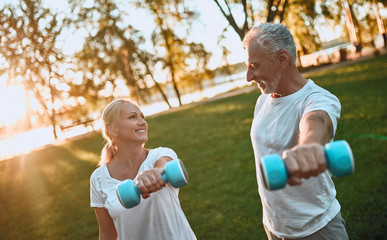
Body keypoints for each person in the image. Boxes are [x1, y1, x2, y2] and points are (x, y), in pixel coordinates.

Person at [243, 23, 349, 239]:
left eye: (255, 65)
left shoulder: (317, 99)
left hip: (316, 227)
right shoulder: (262, 101)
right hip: (274, 226)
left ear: (282, 59)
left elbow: (317, 121)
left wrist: (308, 147)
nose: (248, 76)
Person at [90, 99, 196, 240]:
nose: (143, 122)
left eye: (142, 117)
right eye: (133, 117)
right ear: (111, 128)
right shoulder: (98, 178)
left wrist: (156, 173)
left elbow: (163, 164)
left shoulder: (162, 154)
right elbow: (107, 234)